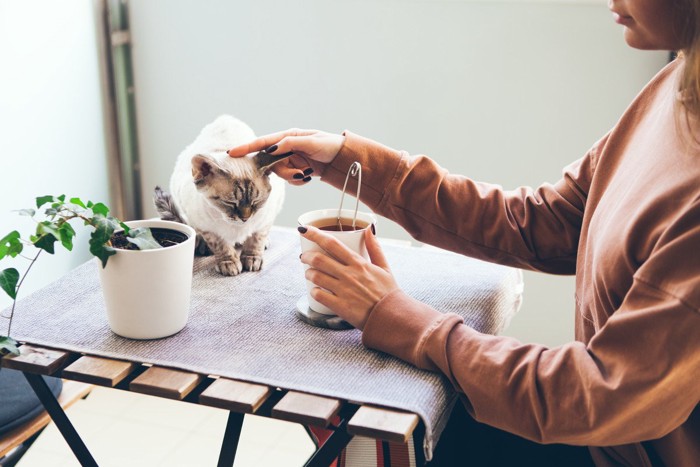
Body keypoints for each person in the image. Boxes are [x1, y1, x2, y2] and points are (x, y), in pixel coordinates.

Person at [228, 0, 700, 465]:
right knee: (366, 421)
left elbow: (598, 394)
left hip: (610, 447)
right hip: (594, 435)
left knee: (379, 425)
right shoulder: (678, 83)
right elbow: (546, 222)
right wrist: (352, 161)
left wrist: (394, 316)